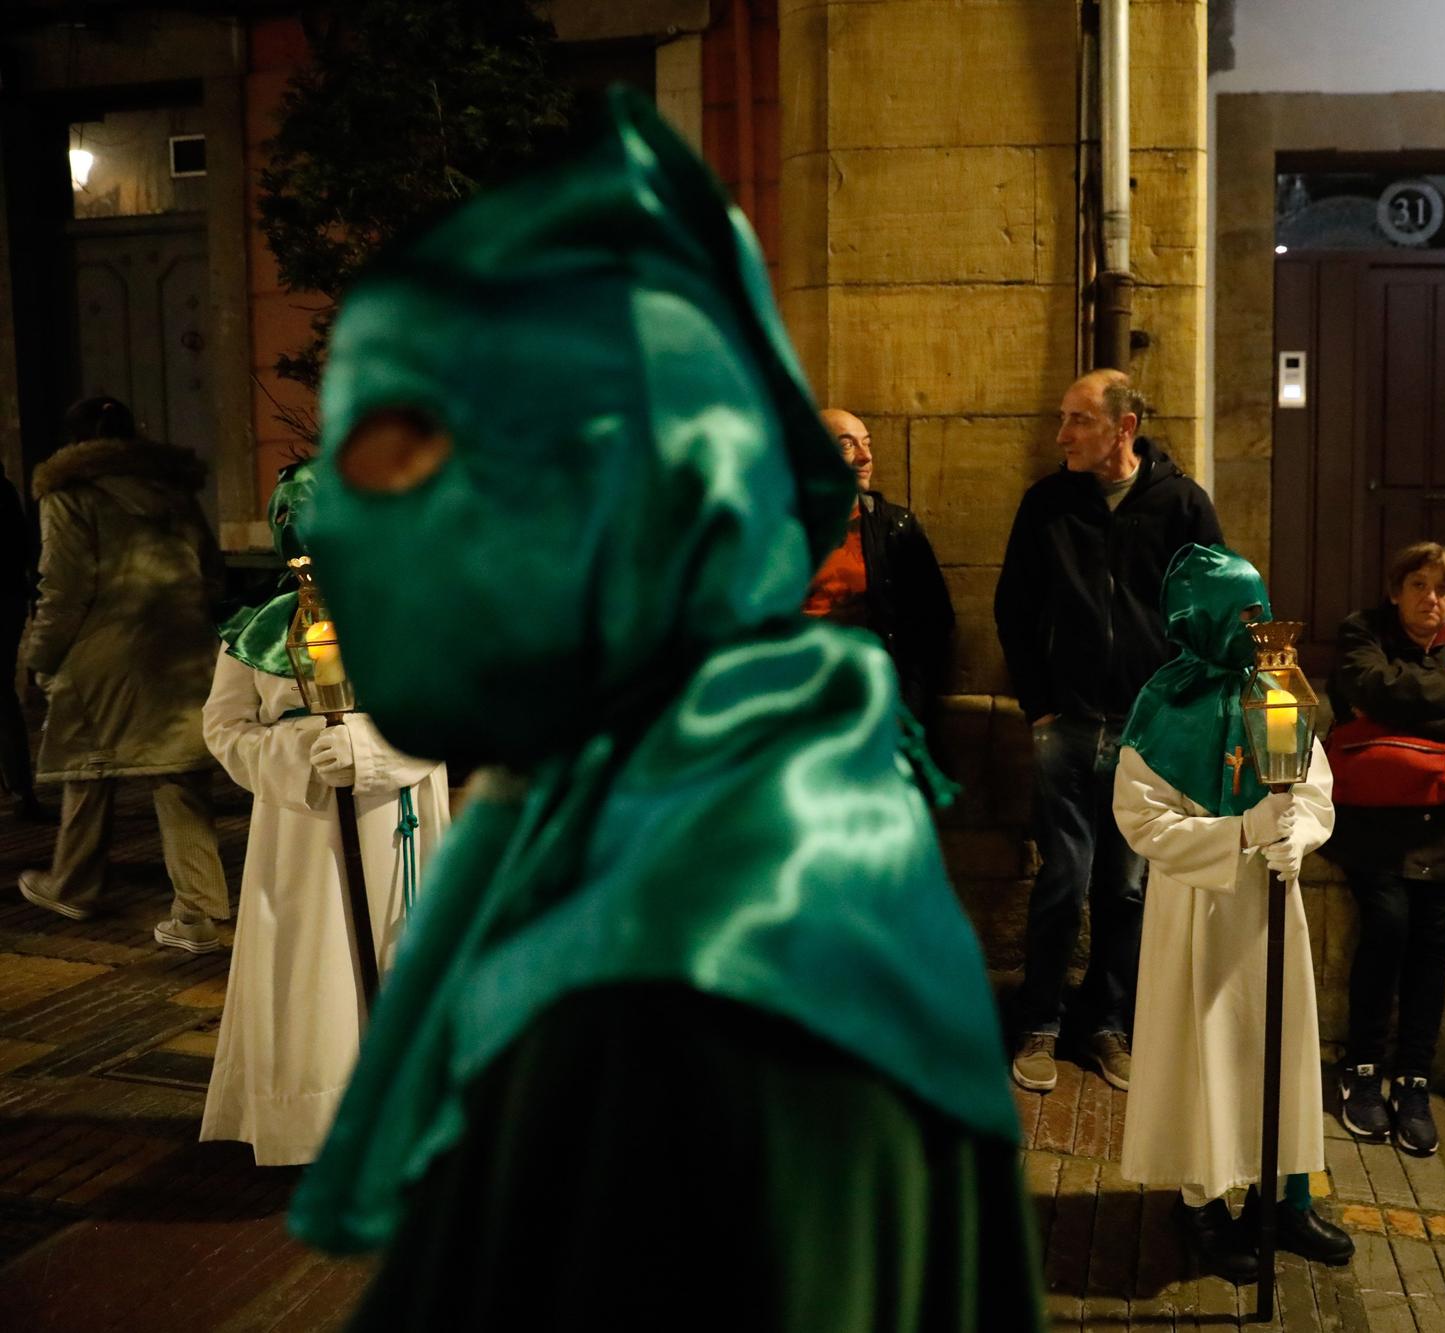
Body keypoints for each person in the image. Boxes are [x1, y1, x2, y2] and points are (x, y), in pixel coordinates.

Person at [283, 89, 1041, 1328]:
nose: (356, 521)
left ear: (629, 492)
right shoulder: (657, 801)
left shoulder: (729, 930)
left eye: (413, 448)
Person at [199, 460, 451, 1166]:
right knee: (312, 972)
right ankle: (313, 1123)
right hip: (303, 835)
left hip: (394, 817)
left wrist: (371, 749)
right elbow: (223, 728)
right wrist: (298, 755)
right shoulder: (253, 631)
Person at [1113, 544, 1351, 1282]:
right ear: (1203, 618)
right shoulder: (1163, 703)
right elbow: (1142, 822)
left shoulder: (1279, 688)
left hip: (1271, 901)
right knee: (1205, 1051)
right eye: (1244, 612)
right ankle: (1205, 1201)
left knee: (1280, 1043)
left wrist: (1299, 837)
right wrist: (1240, 832)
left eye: (1261, 607)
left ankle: (1287, 1195)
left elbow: (1314, 785)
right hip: (1199, 910)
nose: (1259, 625)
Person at [993, 368, 1224, 1093]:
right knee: (1061, 880)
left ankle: (1108, 1025)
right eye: (1063, 419)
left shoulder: (1182, 504)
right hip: (1068, 723)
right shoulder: (1048, 505)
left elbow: (1214, 609)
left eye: (1079, 421)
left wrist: (1179, 708)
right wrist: (1041, 703)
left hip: (1146, 729)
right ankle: (1040, 1020)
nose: (1062, 435)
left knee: (1126, 886)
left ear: (1123, 428)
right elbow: (1014, 608)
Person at [16, 396, 229, 952]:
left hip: (102, 651)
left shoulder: (68, 494)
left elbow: (63, 586)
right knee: (178, 772)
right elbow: (211, 569)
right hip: (180, 647)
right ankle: (199, 911)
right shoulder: (174, 491)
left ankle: (73, 885)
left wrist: (41, 656)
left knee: (87, 764)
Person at [1322, 542, 1445, 1157]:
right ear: (1395, 588)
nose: (1434, 600)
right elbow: (1368, 685)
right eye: (1421, 586)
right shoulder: (1361, 634)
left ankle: (1415, 1080)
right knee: (1387, 928)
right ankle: (1364, 1069)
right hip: (1373, 825)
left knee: (1431, 948)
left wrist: (1401, 715)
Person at [802, 407, 955, 714]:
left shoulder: (893, 528)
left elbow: (932, 623)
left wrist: (908, 705)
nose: (865, 457)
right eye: (847, 445)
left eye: (867, 443)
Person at [0, 458, 50, 822]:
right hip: (7, 602)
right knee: (3, 699)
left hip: (6, 600)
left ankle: (19, 789)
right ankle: (21, 791)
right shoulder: (3, 489)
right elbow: (23, 549)